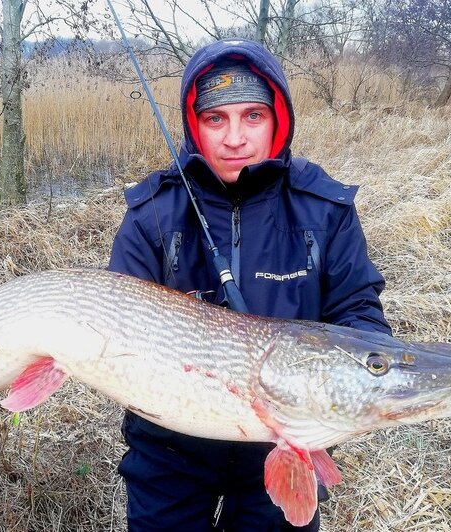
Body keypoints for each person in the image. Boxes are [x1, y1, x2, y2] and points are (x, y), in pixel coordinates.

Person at [108, 38, 391, 531]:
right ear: (194, 125)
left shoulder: (324, 209)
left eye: (252, 116)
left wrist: (338, 401)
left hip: (284, 442)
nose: (235, 138)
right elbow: (118, 325)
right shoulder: (153, 212)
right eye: (216, 119)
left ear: (277, 119)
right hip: (170, 448)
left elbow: (358, 312)